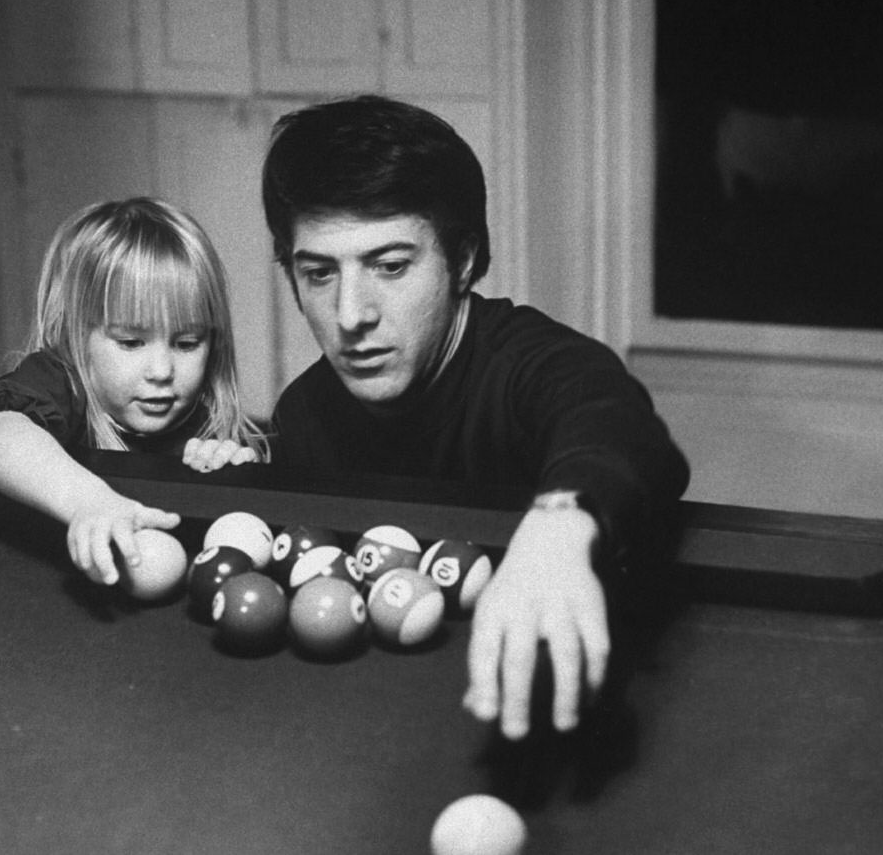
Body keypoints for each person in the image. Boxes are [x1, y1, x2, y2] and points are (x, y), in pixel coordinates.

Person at [261, 96, 690, 740]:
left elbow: (611, 418)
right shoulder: (302, 417)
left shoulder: (528, 365)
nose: (351, 314)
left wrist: (557, 530)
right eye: (319, 273)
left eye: (391, 266)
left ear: (463, 261)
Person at [0, 197, 266, 586]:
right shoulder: (60, 383)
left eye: (187, 342)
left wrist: (237, 471)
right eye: (130, 341)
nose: (162, 371)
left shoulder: (203, 422)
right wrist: (90, 503)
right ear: (75, 335)